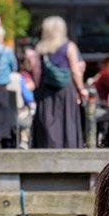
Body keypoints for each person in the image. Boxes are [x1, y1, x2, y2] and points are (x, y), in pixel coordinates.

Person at [28, 15, 87, 148]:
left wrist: (38, 87)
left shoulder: (40, 48)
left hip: (46, 89)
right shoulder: (69, 46)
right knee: (67, 120)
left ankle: (47, 148)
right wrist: (81, 88)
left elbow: (37, 71)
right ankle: (68, 148)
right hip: (66, 90)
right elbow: (75, 71)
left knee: (47, 121)